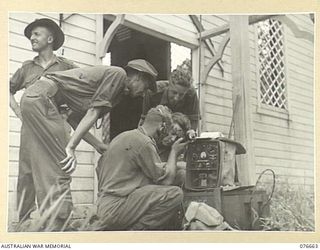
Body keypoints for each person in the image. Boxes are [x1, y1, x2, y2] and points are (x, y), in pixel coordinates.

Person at [19, 58, 158, 230]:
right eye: (144, 88)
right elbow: (93, 112)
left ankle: (23, 222)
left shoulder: (117, 94)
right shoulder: (118, 75)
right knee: (60, 163)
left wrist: (99, 146)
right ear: (137, 77)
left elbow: (74, 119)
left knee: (30, 162)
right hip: (44, 98)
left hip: (34, 97)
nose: (143, 94)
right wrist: (70, 147)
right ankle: (57, 224)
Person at [9, 18, 77, 223]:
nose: (32, 37)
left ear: (50, 38)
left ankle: (58, 220)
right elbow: (8, 90)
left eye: (37, 34)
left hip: (55, 129)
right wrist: (20, 112)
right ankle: (23, 221)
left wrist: (66, 118)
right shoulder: (28, 68)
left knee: (56, 171)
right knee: (27, 172)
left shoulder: (67, 67)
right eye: (32, 35)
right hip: (30, 129)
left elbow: (82, 93)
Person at [92, 105, 188, 230]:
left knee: (177, 175)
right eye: (168, 131)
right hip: (116, 208)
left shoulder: (123, 136)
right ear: (162, 126)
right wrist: (174, 152)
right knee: (174, 194)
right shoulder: (144, 142)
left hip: (103, 205)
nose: (167, 136)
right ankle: (134, 233)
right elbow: (166, 181)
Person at [140, 63, 200, 130]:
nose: (176, 98)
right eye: (174, 92)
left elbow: (194, 121)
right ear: (169, 85)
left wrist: (190, 133)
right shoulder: (152, 92)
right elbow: (144, 119)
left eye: (181, 95)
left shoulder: (191, 94)